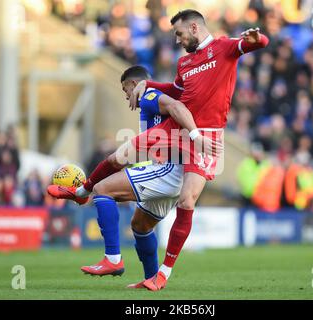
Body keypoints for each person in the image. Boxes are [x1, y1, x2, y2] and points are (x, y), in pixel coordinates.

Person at [49, 9, 269, 291]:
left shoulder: (224, 47)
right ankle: (84, 195)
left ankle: (155, 270)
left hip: (202, 136)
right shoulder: (185, 63)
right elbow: (177, 94)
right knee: (130, 191)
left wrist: (257, 38)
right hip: (177, 132)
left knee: (186, 201)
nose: (176, 40)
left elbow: (255, 44)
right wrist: (148, 84)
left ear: (193, 28)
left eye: (178, 33)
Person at [50, 65, 207, 289]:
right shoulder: (153, 104)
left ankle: (112, 259)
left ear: (134, 85)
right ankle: (151, 280)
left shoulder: (150, 95)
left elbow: (176, 106)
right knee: (140, 225)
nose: (126, 97)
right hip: (175, 172)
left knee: (103, 190)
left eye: (125, 90)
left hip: (171, 170)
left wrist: (193, 135)